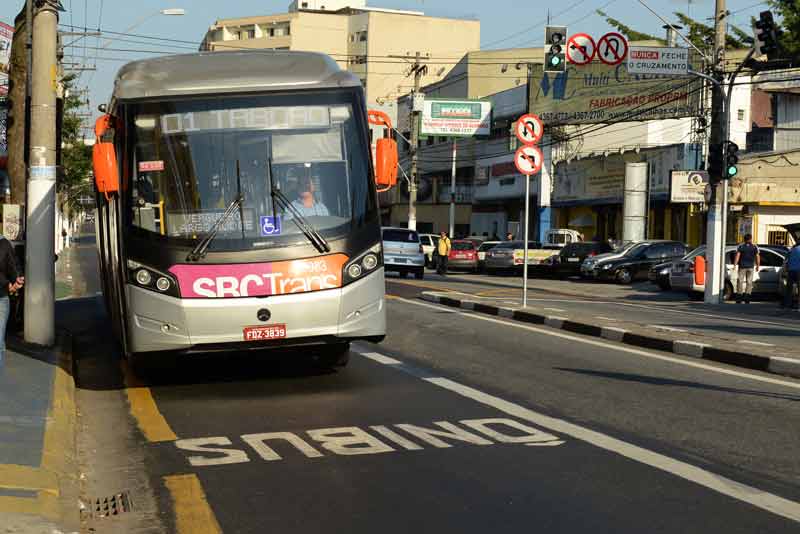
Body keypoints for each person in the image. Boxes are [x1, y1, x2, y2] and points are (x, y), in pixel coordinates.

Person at [0, 236, 23, 370]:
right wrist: (7, 284)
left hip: (1, 299)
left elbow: (13, 264)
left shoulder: (4, 243)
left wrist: (17, 279)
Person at [733, 233, 760, 304]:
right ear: (751, 239)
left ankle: (739, 298)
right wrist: (757, 266)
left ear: (744, 239)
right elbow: (757, 256)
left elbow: (737, 256)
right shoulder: (754, 247)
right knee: (749, 282)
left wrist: (735, 265)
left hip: (742, 267)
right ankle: (747, 298)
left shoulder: (741, 246)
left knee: (740, 282)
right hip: (750, 267)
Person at [783, 241, 800, 310]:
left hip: (790, 271)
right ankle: (799, 306)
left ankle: (787, 305)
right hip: (799, 271)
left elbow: (786, 260)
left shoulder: (791, 250)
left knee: (789, 289)